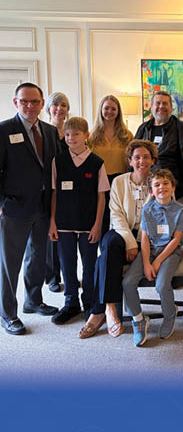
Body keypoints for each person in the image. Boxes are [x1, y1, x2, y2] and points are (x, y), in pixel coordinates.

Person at [78, 139, 158, 340]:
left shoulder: (159, 181)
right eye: (137, 157)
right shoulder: (119, 181)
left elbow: (160, 215)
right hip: (122, 232)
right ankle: (111, 309)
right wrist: (130, 243)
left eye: (146, 157)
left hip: (147, 236)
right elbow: (116, 214)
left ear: (153, 160)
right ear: (130, 160)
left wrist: (139, 242)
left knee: (102, 260)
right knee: (111, 244)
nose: (141, 161)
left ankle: (98, 311)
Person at [0, 82, 59, 335]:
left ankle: (33, 300)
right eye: (24, 101)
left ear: (42, 103)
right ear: (16, 102)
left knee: (37, 257)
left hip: (43, 207)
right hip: (14, 207)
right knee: (9, 264)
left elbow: (54, 168)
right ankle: (7, 314)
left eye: (35, 101)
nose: (30, 105)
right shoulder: (4, 130)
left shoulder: (50, 131)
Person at [49, 117, 109, 324]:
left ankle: (89, 302)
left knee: (89, 264)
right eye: (67, 134)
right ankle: (71, 302)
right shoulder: (58, 161)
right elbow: (54, 193)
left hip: (88, 224)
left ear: (86, 135)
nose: (71, 138)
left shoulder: (97, 163)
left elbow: (101, 197)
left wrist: (97, 225)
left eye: (76, 134)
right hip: (63, 223)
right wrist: (52, 222)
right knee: (67, 264)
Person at [122, 168, 183, 345]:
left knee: (162, 284)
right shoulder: (147, 209)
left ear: (173, 187)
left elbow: (176, 239)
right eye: (157, 185)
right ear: (151, 191)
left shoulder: (180, 209)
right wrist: (146, 263)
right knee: (127, 283)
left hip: (170, 251)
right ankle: (138, 319)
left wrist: (157, 262)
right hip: (149, 250)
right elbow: (144, 238)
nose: (162, 187)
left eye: (166, 183)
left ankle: (170, 314)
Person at [135, 91, 183, 242]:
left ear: (171, 107)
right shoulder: (143, 129)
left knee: (181, 238)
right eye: (158, 103)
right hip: (149, 193)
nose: (161, 106)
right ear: (151, 107)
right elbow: (134, 159)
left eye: (165, 103)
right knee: (152, 236)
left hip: (180, 191)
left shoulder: (182, 129)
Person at [88, 95, 133, 237]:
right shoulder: (91, 136)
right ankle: (103, 247)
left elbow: (131, 159)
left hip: (120, 180)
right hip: (99, 181)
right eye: (106, 108)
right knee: (102, 217)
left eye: (113, 109)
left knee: (120, 217)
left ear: (118, 112)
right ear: (101, 110)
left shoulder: (127, 135)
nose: (109, 112)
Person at [44, 91, 71, 292]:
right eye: (56, 105)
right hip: (49, 186)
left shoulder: (71, 131)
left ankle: (69, 273)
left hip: (69, 188)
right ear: (49, 108)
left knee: (68, 234)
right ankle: (53, 276)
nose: (59, 109)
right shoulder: (44, 132)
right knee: (51, 234)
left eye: (63, 105)